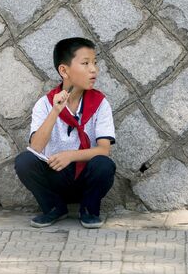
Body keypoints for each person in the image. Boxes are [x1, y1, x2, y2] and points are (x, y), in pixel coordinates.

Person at [14, 37, 116, 229]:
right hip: (56, 177)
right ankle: (54, 207)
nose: (93, 69)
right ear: (64, 70)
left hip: (86, 177)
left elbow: (104, 150)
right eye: (85, 63)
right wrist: (55, 112)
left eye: (94, 63)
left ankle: (89, 209)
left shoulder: (100, 103)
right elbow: (35, 147)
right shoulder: (45, 104)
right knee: (24, 161)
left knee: (104, 165)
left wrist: (71, 156)